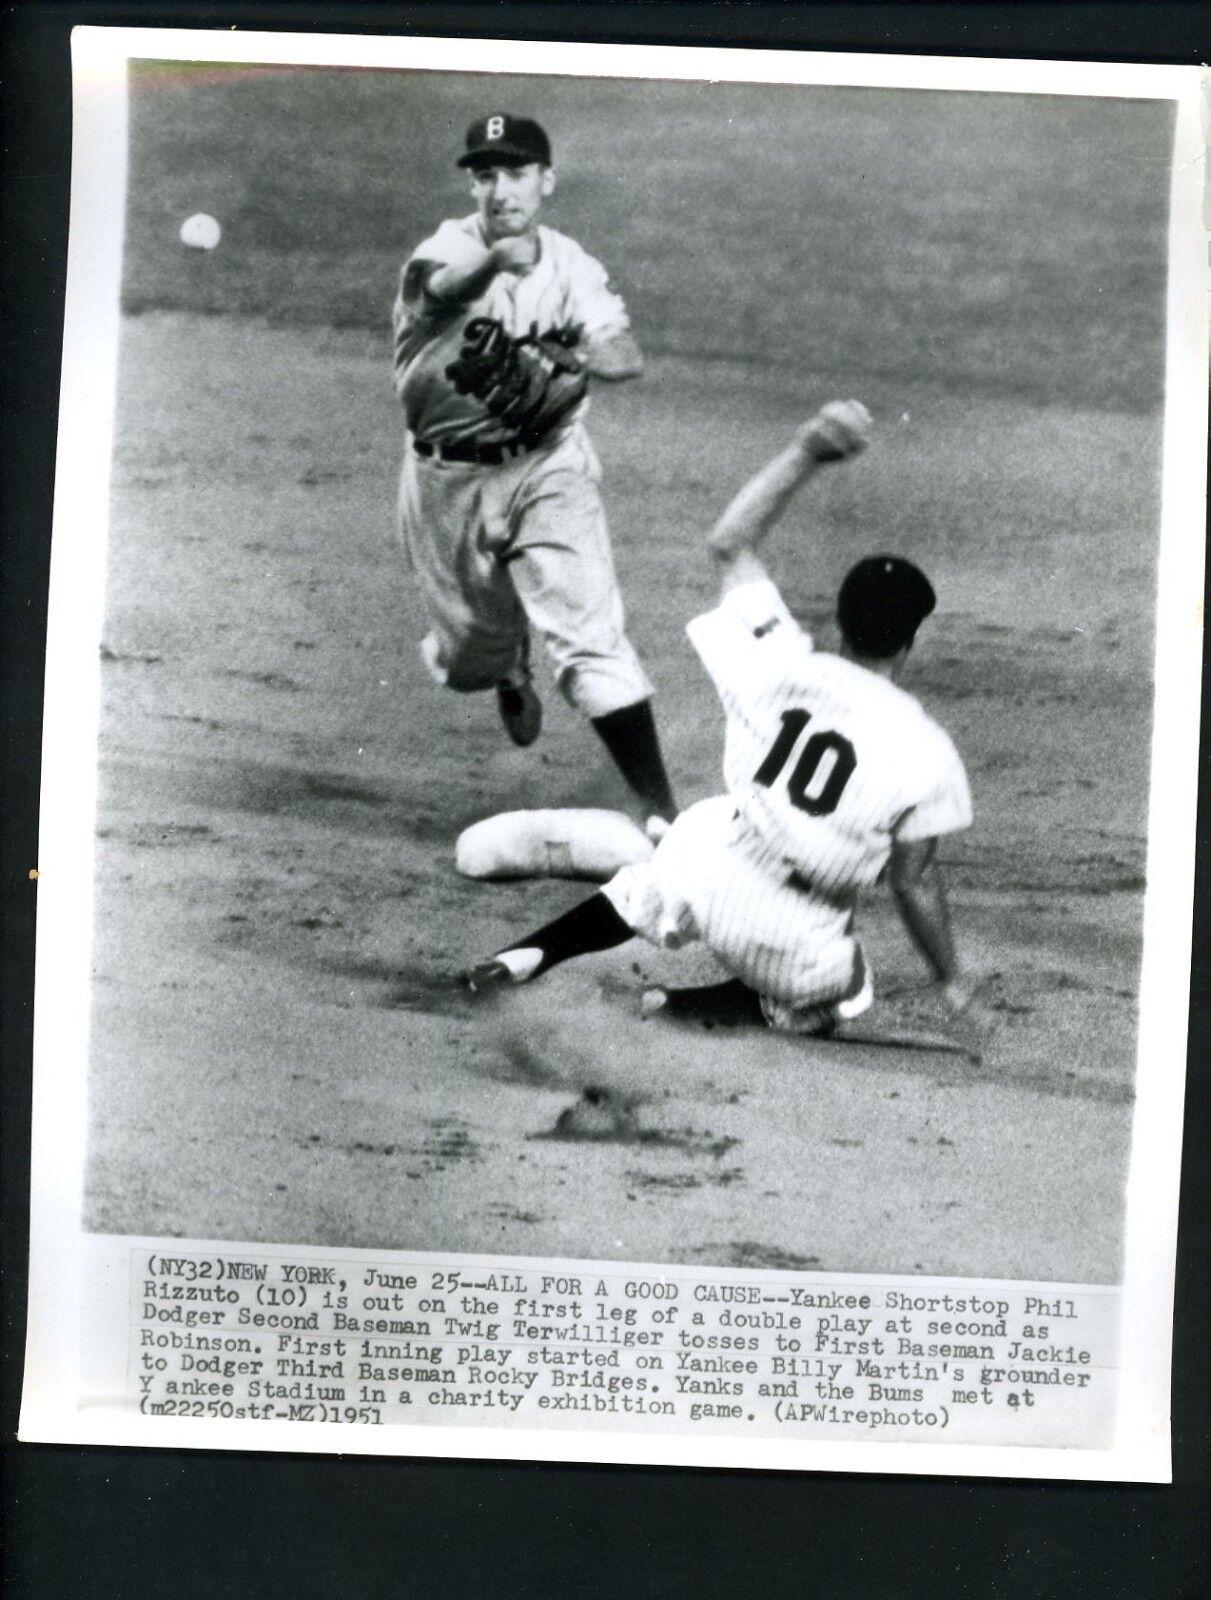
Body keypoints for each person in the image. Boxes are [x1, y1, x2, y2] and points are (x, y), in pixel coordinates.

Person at [467, 400, 979, 1039]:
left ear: (840, 622)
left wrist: (809, 449)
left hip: (709, 873)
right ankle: (673, 1008)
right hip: (794, 938)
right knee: (849, 990)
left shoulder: (779, 661)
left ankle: (522, 957)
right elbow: (914, 883)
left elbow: (729, 544)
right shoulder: (926, 750)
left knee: (677, 855)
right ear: (909, 640)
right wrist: (952, 984)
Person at [391, 112, 677, 822]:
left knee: (591, 647)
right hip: (445, 481)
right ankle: (508, 663)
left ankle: (661, 813)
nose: (498, 190)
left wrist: (580, 356)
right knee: (466, 663)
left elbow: (624, 355)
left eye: (515, 173)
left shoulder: (573, 267)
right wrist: (494, 260)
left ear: (546, 180)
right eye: (484, 175)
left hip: (548, 466)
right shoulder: (445, 248)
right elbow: (441, 290)